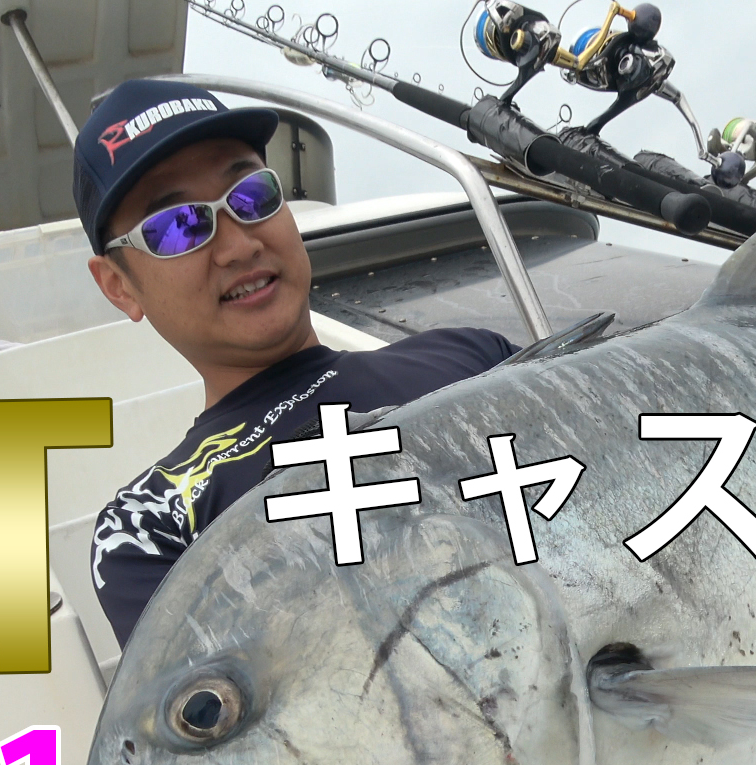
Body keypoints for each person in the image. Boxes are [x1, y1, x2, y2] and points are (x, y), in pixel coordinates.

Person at [72, 80, 518, 647]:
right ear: (118, 286)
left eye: (251, 195)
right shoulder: (148, 527)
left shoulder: (474, 355)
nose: (239, 246)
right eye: (177, 226)